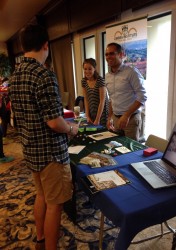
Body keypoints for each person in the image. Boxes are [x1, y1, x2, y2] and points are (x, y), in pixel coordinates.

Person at [9, 24, 79, 250]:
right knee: (55, 204)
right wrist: (71, 129)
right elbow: (54, 122)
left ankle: (40, 238)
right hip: (50, 153)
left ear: (22, 46)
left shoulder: (15, 75)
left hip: (30, 149)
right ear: (46, 45)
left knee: (41, 195)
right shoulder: (44, 74)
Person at [105, 42, 147, 141]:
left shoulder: (131, 72)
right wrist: (110, 117)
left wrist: (126, 115)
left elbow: (142, 96)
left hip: (131, 119)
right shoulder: (107, 76)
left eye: (112, 53)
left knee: (131, 152)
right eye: (106, 54)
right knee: (116, 149)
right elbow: (111, 98)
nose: (108, 57)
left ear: (120, 54)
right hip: (115, 118)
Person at [82, 58, 108, 126]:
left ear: (94, 69)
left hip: (102, 114)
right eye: (85, 69)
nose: (87, 71)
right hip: (91, 112)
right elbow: (86, 99)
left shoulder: (100, 80)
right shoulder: (84, 81)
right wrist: (87, 115)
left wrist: (97, 119)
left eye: (90, 69)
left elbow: (102, 101)